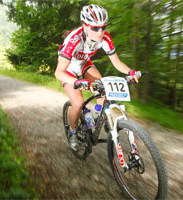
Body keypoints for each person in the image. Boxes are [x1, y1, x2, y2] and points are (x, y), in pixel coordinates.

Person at [55, 4, 141, 151]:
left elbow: (116, 62)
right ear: (85, 26)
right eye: (95, 28)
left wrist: (130, 72)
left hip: (83, 63)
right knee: (78, 103)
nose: (100, 32)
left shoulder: (105, 37)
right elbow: (58, 72)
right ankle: (73, 132)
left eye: (103, 27)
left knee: (104, 91)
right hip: (67, 68)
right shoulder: (73, 40)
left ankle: (102, 119)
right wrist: (76, 81)